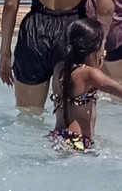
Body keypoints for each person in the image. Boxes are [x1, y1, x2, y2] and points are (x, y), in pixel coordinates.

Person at [50, 17, 122, 151]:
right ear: (94, 49)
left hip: (57, 137)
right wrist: (97, 67)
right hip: (78, 142)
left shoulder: (59, 68)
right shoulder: (90, 74)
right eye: (103, 44)